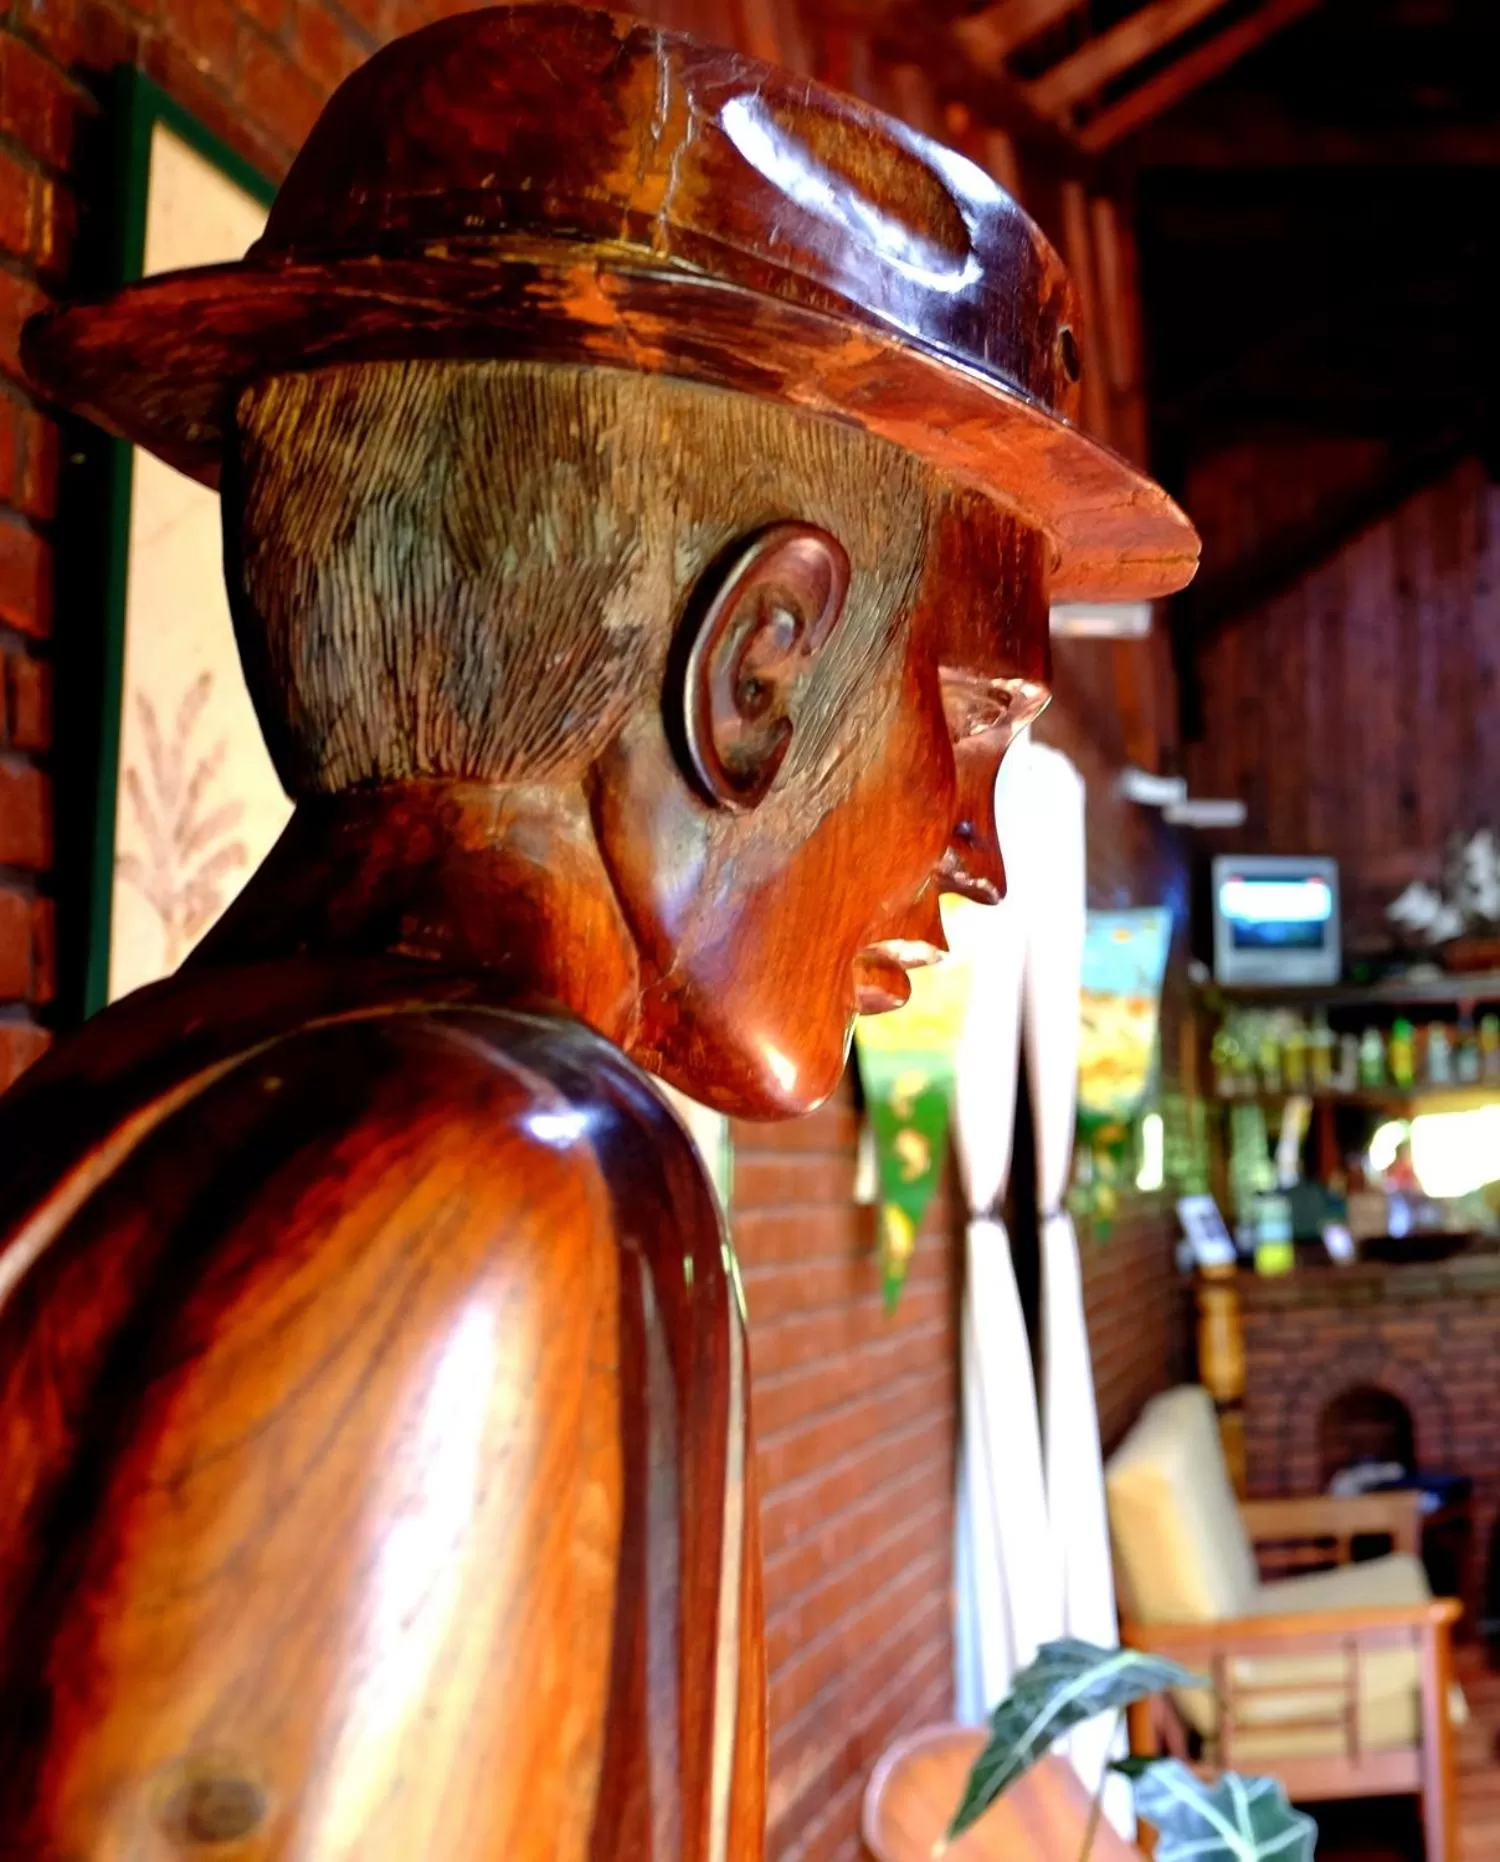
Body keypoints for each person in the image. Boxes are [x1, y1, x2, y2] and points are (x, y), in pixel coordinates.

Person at [0, 8, 1196, 1855]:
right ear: (757, 677)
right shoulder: (508, 1179)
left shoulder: (113, 1090)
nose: (981, 861)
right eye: (968, 732)